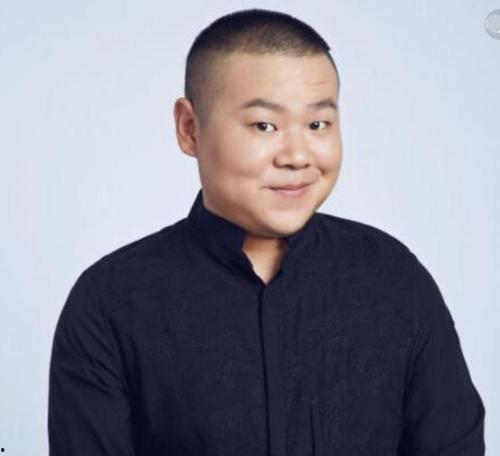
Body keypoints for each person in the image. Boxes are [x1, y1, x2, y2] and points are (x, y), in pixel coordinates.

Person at [47, 8, 486, 456]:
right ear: (190, 128)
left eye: (317, 124)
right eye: (264, 126)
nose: (297, 155)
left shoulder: (393, 279)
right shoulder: (111, 301)